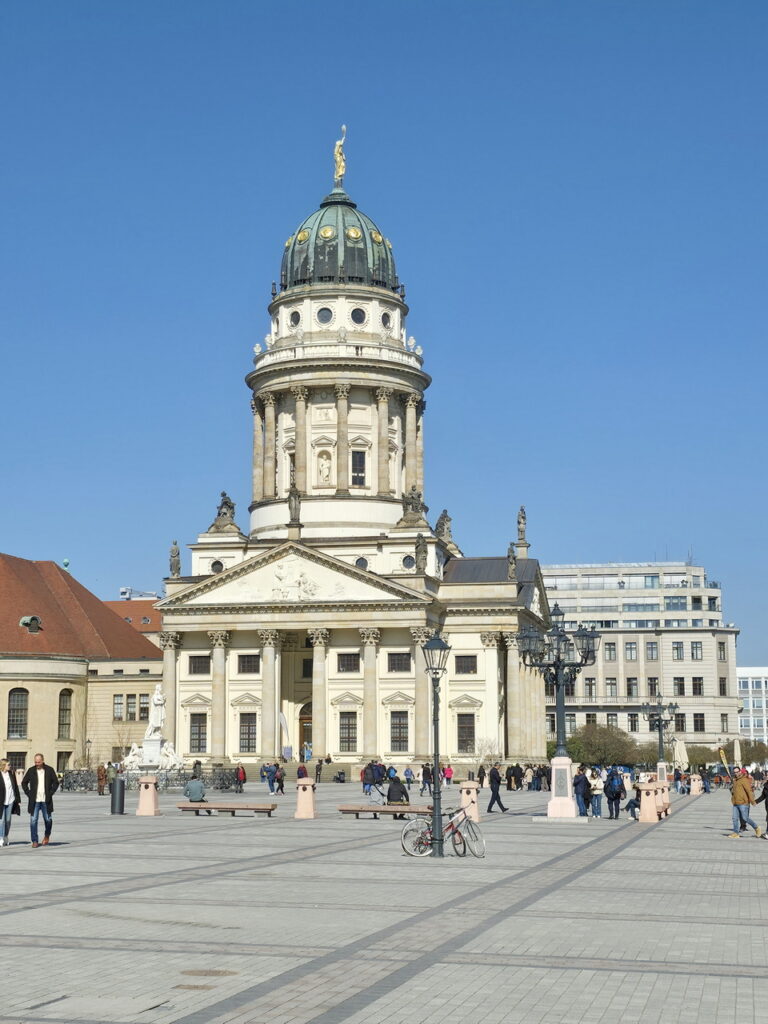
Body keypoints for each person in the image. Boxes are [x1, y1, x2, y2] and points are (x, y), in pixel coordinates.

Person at [21, 753, 60, 847]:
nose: (37, 764)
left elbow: (56, 782)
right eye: (35, 762)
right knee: (33, 820)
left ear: (42, 761)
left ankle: (47, 835)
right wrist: (29, 794)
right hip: (34, 801)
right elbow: (24, 783)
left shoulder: (49, 770)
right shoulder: (31, 770)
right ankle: (34, 840)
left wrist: (50, 793)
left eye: (38, 762)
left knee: (48, 819)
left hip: (46, 800)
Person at [729, 768, 762, 838]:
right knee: (734, 818)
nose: (736, 773)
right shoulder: (735, 780)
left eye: (737, 772)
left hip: (743, 803)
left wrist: (753, 801)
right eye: (734, 772)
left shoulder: (744, 780)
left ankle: (756, 828)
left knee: (745, 818)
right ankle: (736, 833)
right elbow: (734, 791)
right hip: (735, 802)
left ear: (740, 772)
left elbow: (749, 791)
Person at [0, 759, 20, 847]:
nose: (10, 766)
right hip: (1, 801)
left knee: (8, 821)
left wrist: (18, 800)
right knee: (1, 821)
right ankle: (0, 837)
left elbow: (15, 787)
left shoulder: (11, 774)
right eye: (8, 765)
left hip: (10, 800)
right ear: (3, 765)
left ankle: (6, 836)